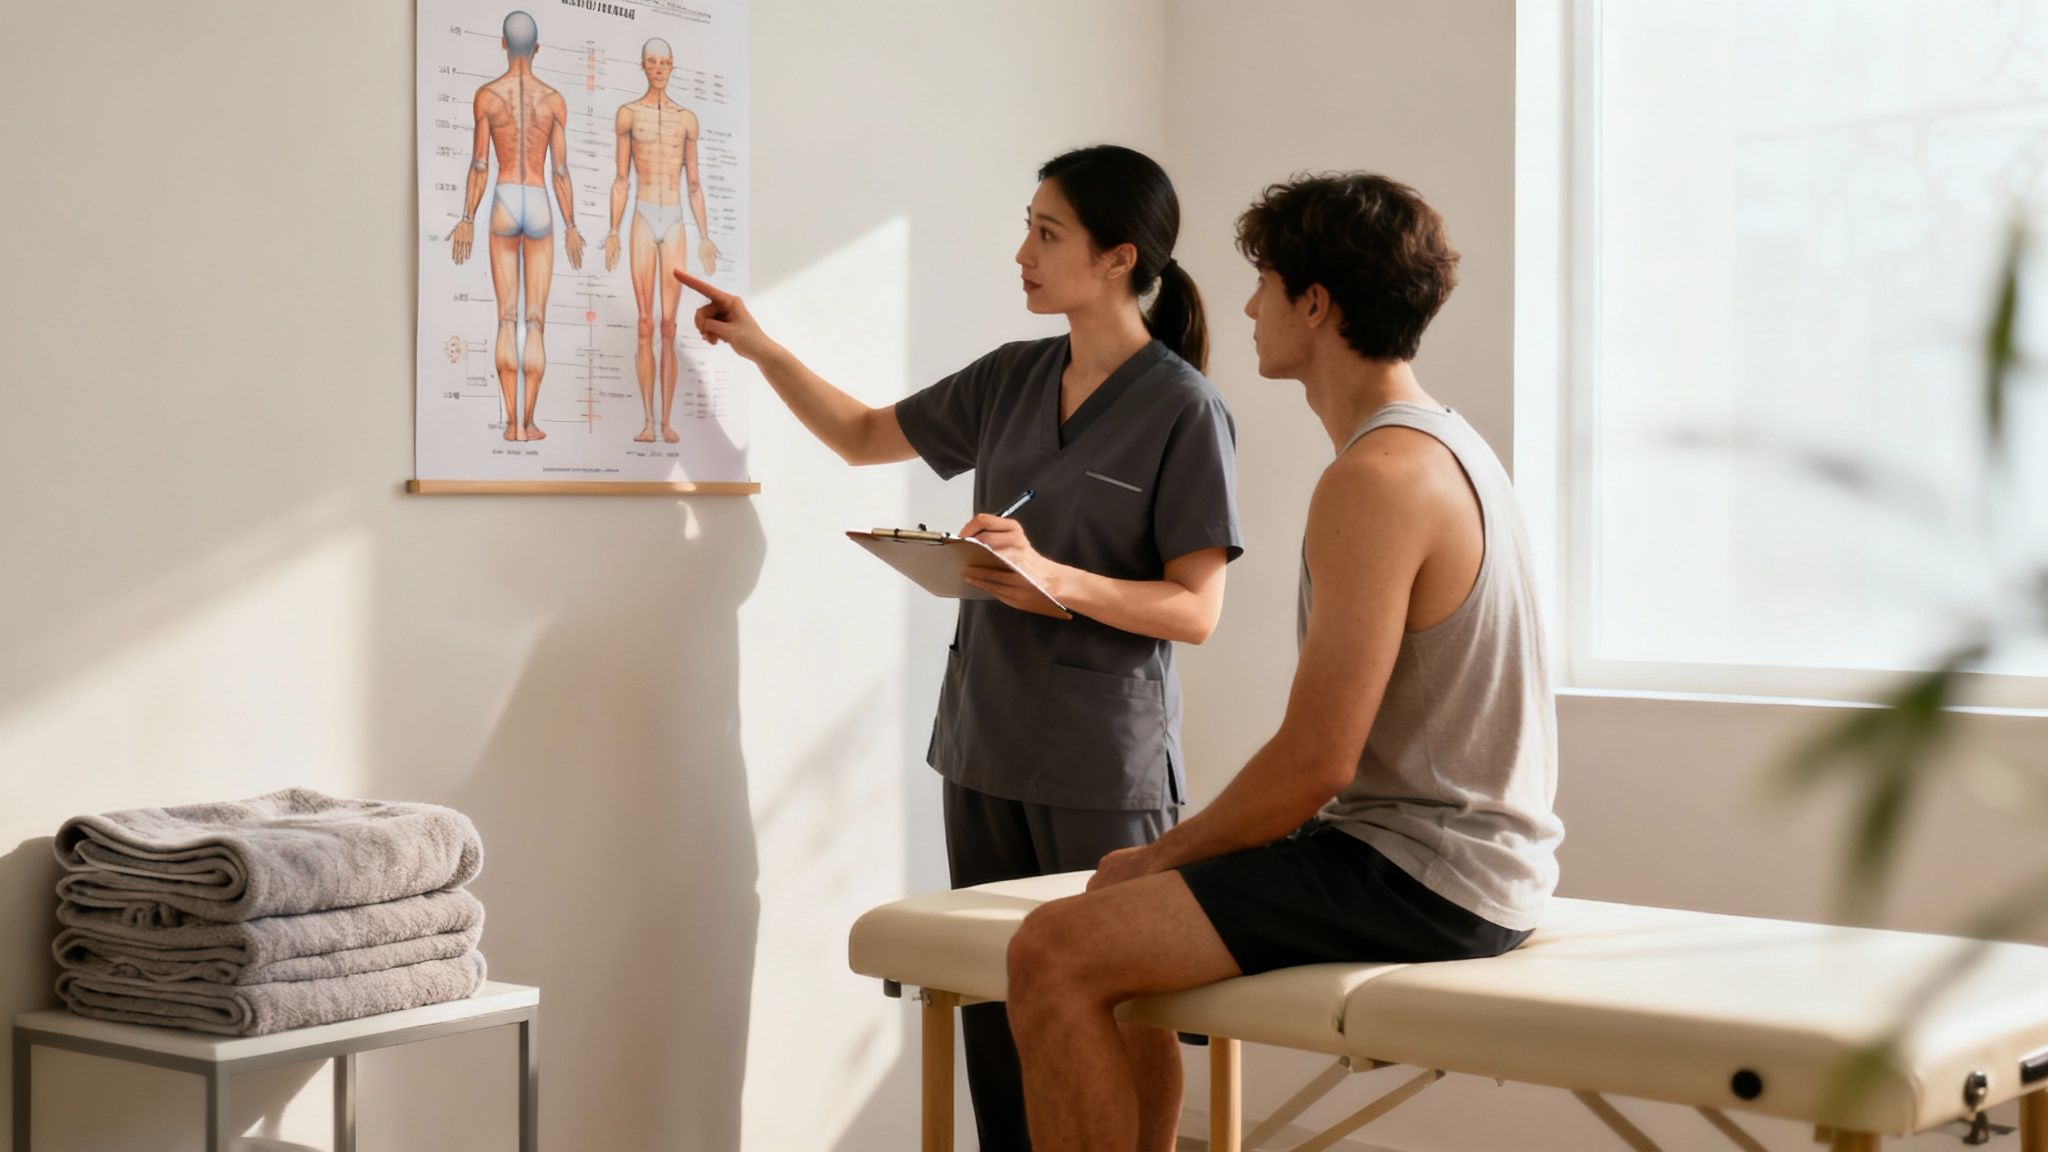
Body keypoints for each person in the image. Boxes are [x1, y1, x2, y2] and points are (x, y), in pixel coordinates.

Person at [676, 145, 1243, 1152]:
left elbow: (1194, 609)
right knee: (993, 999)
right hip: (981, 747)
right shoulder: (1012, 378)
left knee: (1121, 1006)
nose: (1019, 252)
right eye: (1026, 225)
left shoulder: (1182, 410)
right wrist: (759, 348)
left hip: (1099, 765)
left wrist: (1053, 578)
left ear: (1118, 258)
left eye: (1045, 233)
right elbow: (858, 435)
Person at [999, 173, 1566, 1152]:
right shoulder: (1448, 444)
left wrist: (1157, 856)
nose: (1250, 307)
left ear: (1315, 304)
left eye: (1264, 283)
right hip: (1474, 866)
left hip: (1418, 876)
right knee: (1109, 939)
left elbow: (1316, 764)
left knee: (1052, 951)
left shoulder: (1374, 480)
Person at [451, 10, 585, 443]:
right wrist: (570, 225)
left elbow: (479, 164)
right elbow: (561, 170)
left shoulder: (487, 96)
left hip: (506, 197)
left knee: (506, 319)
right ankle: (530, 421)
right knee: (536, 321)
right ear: (538, 48)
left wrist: (467, 218)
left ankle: (511, 424)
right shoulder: (553, 100)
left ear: (503, 44)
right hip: (540, 199)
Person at [603, 37, 719, 445]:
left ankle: (665, 423)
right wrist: (613, 229)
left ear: (672, 67)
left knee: (668, 326)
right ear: (643, 65)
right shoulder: (627, 114)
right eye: (651, 62)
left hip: (673, 218)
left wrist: (705, 236)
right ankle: (647, 421)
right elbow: (621, 178)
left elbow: (694, 182)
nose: (658, 69)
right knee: (644, 323)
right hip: (641, 213)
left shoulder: (686, 120)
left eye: (664, 63)